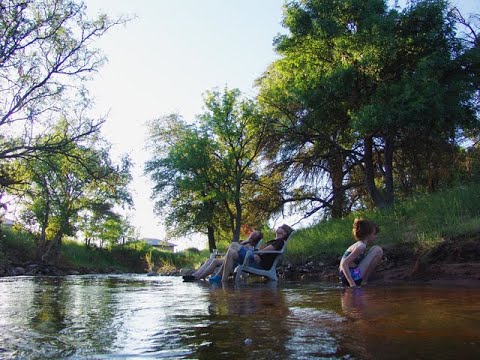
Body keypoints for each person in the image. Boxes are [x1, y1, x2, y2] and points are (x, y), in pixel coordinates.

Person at [209, 224, 294, 284]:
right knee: (231, 251)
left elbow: (263, 251)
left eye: (281, 227)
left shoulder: (279, 242)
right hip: (254, 258)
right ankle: (223, 281)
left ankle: (221, 279)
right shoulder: (274, 241)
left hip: (258, 263)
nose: (278, 227)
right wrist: (255, 251)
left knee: (234, 245)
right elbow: (261, 250)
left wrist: (255, 252)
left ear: (284, 233)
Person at [182, 230, 263, 281]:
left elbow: (255, 257)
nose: (252, 235)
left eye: (254, 235)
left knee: (215, 260)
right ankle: (195, 275)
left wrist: (248, 244)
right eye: (252, 234)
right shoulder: (243, 243)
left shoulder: (254, 247)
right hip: (232, 259)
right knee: (210, 260)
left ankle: (197, 278)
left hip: (237, 262)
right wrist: (245, 242)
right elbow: (228, 248)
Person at [339, 218, 383, 287]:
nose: (376, 236)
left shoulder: (359, 244)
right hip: (351, 276)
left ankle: (362, 281)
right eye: (374, 234)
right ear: (368, 234)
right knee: (378, 250)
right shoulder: (361, 246)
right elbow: (344, 264)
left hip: (348, 274)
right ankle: (363, 282)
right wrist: (352, 284)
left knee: (375, 248)